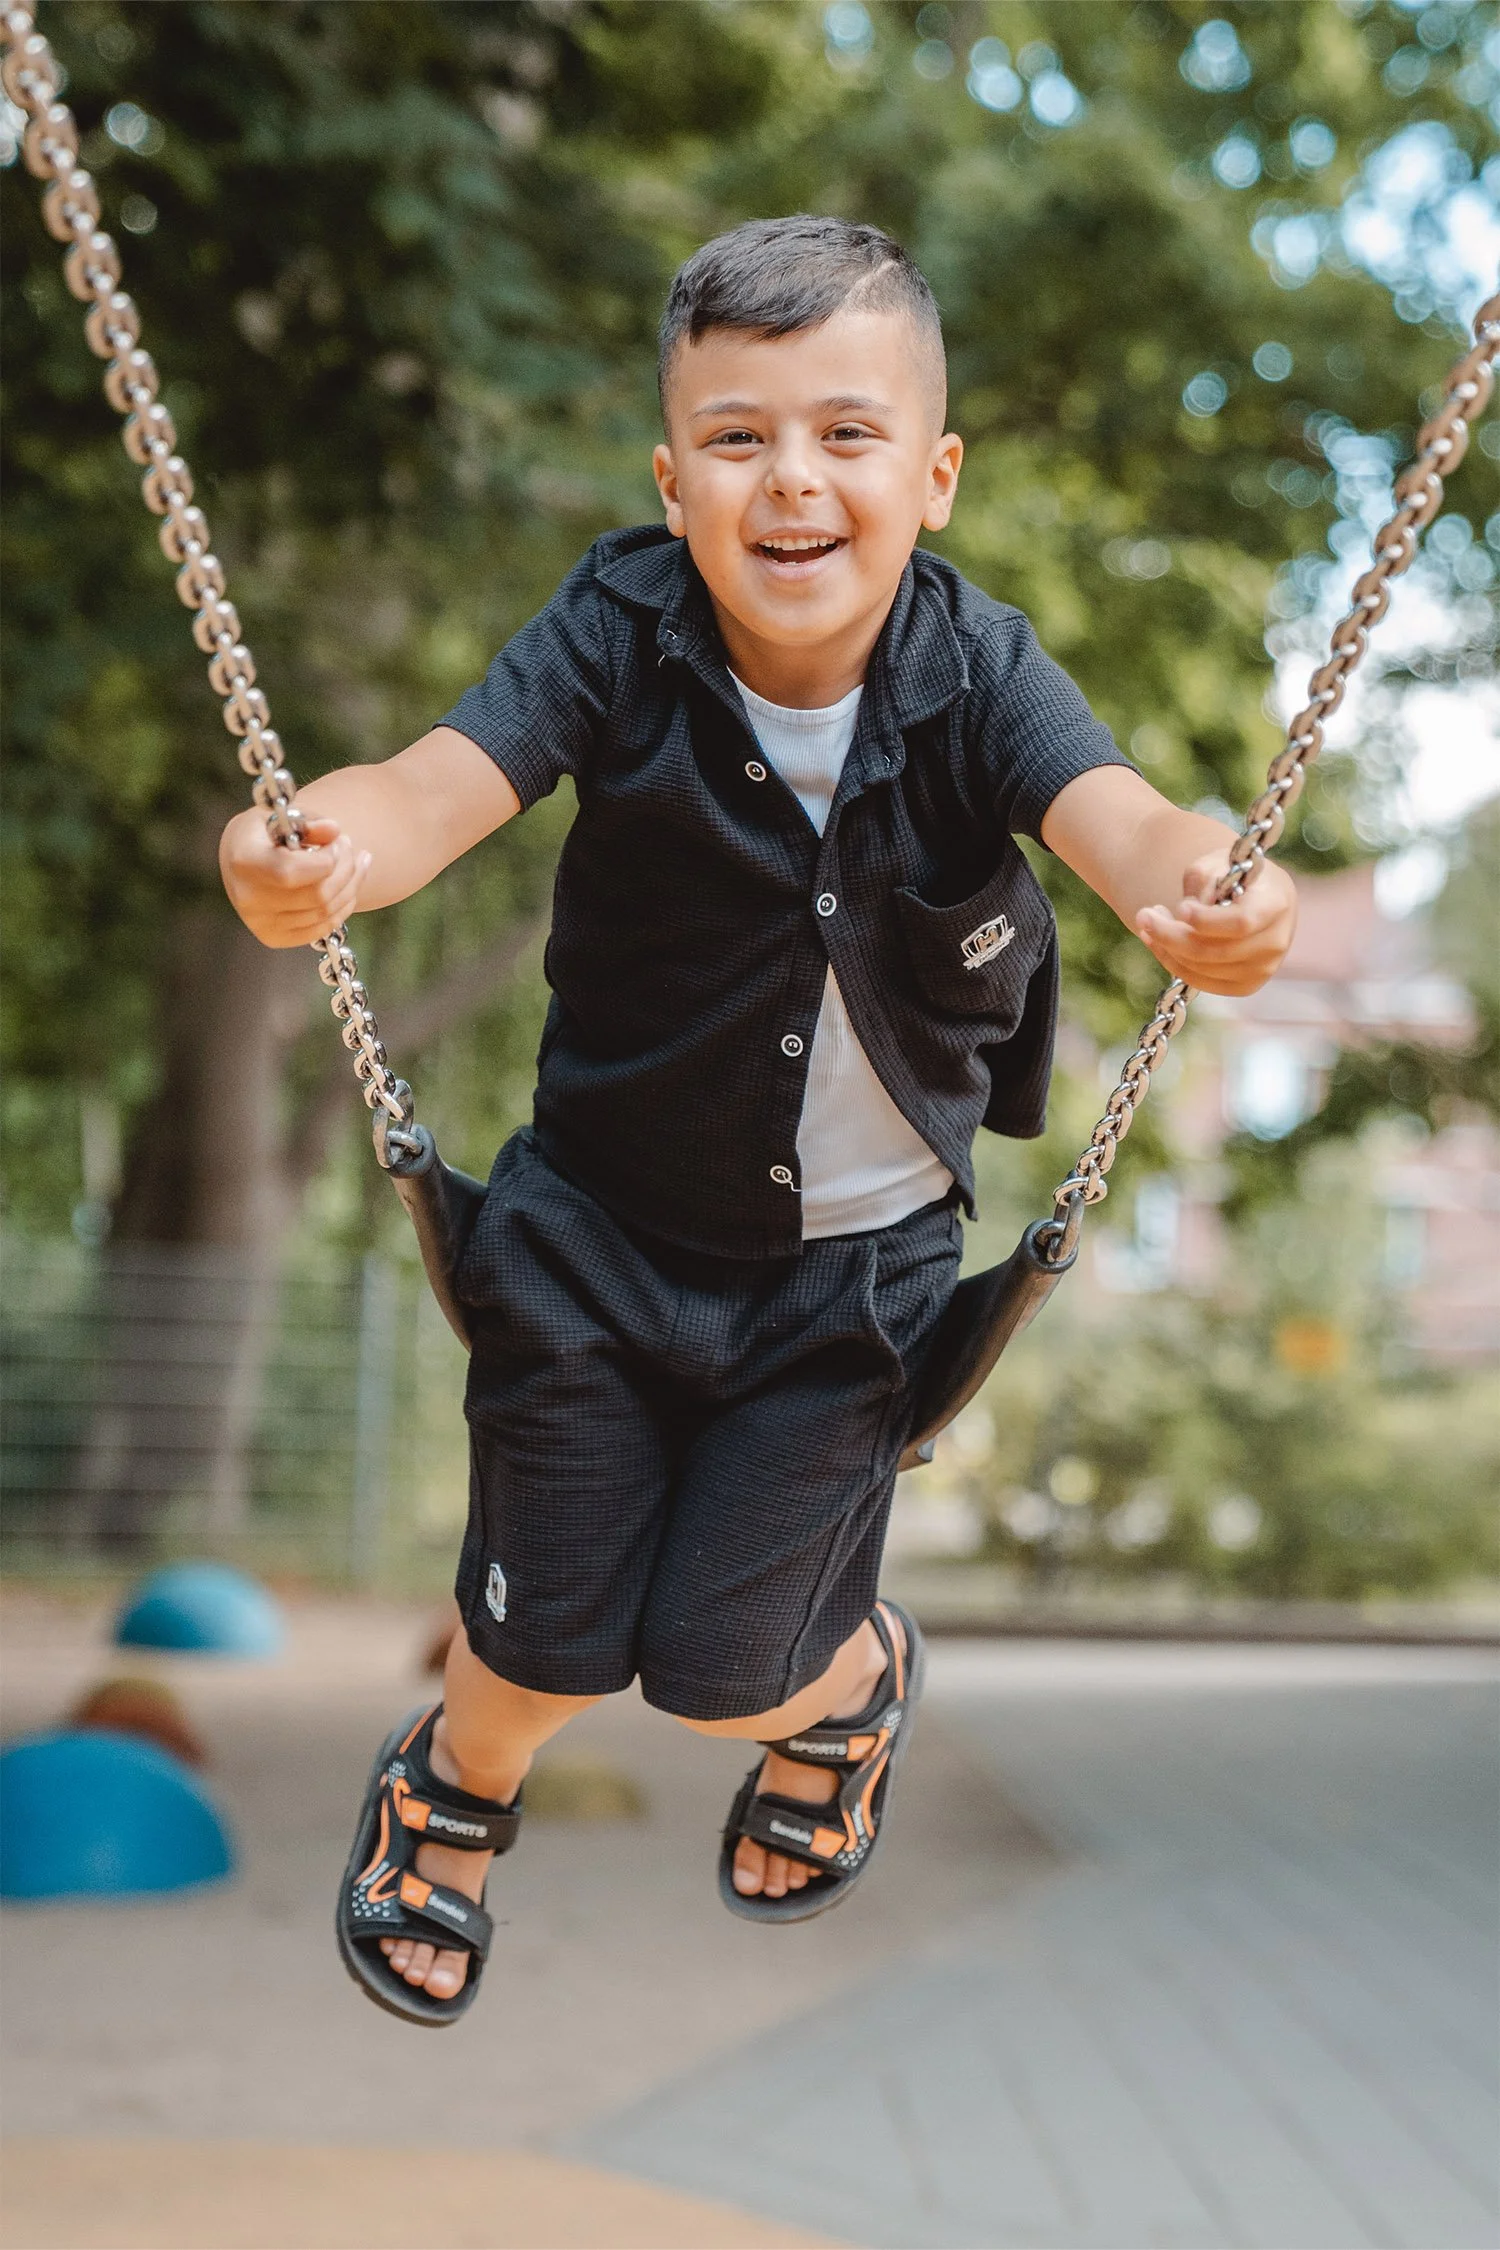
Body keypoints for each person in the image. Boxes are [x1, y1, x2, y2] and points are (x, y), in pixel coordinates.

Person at [220, 216, 1297, 2025]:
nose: (791, 478)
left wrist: (1218, 884)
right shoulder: (617, 632)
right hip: (599, 1236)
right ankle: (456, 1785)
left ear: (932, 475)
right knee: (541, 1626)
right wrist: (311, 852)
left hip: (850, 1288)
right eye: (737, 436)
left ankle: (851, 1684)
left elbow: (1126, 820)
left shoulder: (979, 673)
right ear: (674, 477)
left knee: (728, 1665)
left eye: (845, 432)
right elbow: (421, 789)